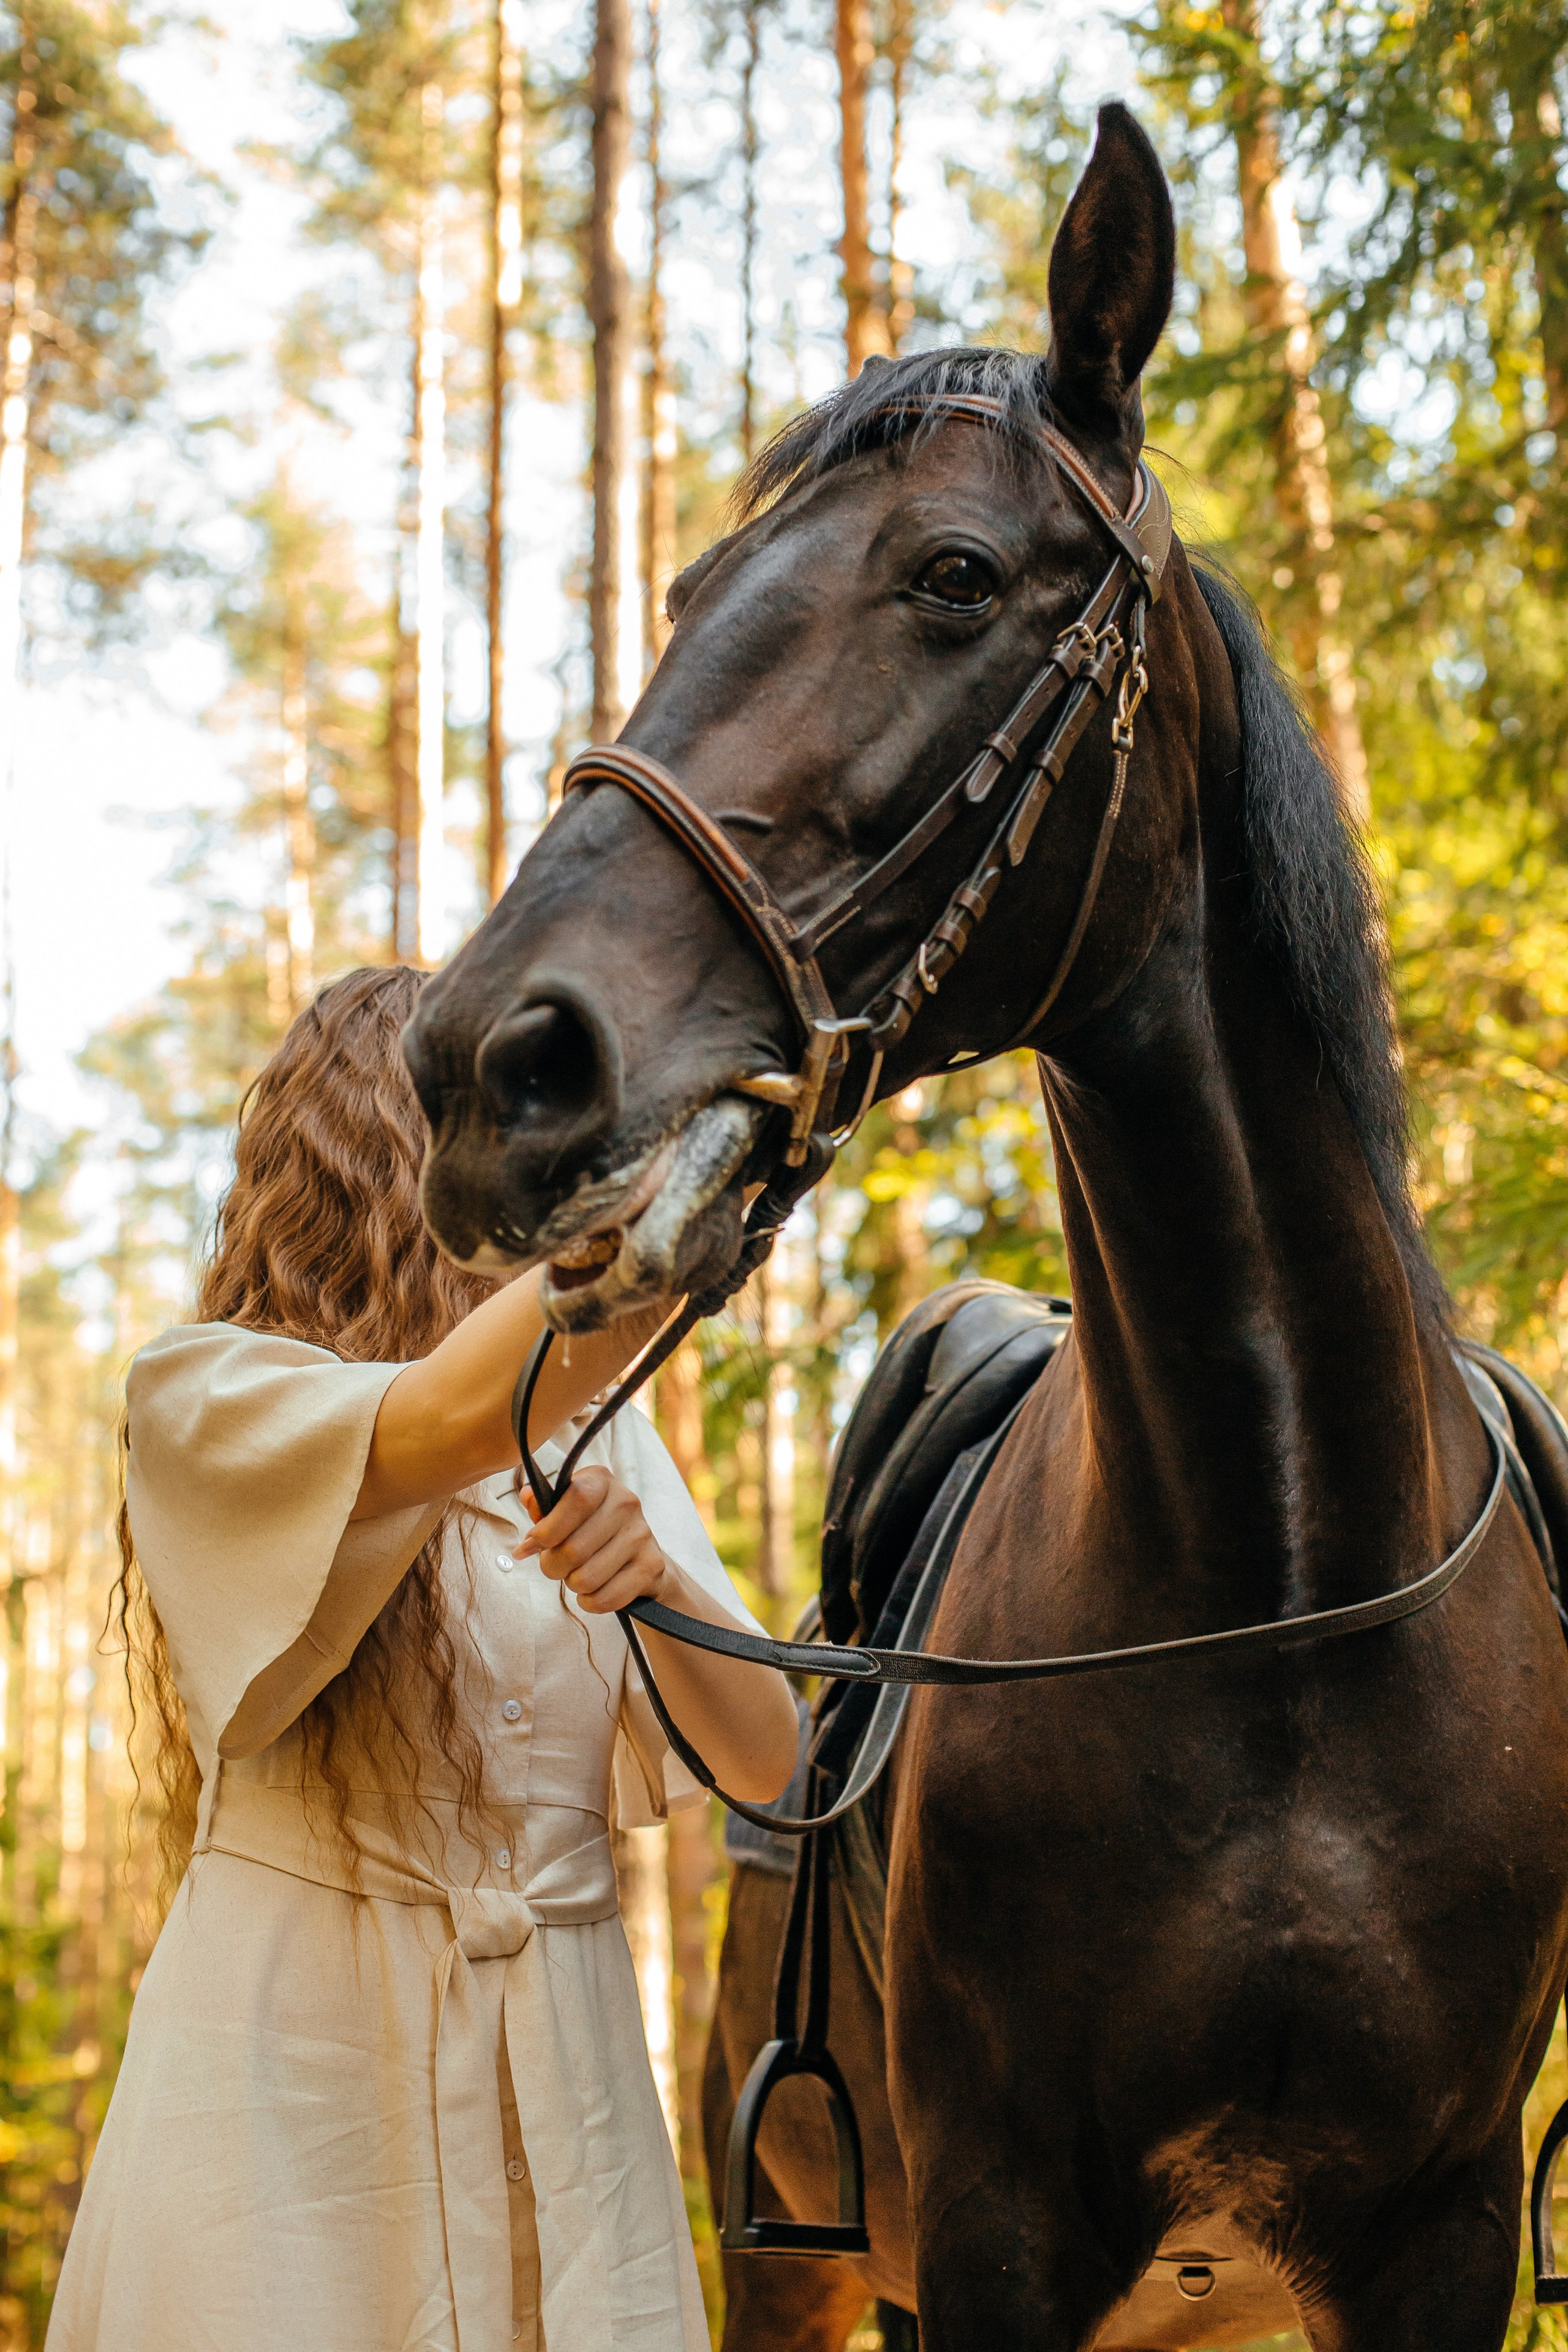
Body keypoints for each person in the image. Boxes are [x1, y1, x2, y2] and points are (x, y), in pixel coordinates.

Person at [47, 964, 799, 2352]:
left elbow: (768, 1762)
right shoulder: (207, 1394)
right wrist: (693, 1170)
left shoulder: (596, 1424)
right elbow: (447, 1417)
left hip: (571, 2105)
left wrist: (654, 1579)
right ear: (394, 1151)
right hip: (297, 2108)